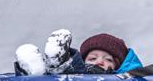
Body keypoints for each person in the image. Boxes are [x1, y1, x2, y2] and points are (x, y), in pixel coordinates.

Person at [14, 30, 143, 75]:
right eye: (92, 58)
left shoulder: (120, 79)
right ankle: (34, 71)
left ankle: (60, 64)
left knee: (79, 70)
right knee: (77, 71)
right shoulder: (81, 70)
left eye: (108, 59)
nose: (99, 61)